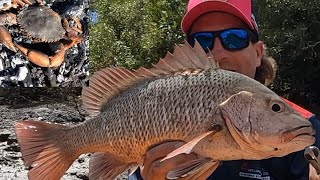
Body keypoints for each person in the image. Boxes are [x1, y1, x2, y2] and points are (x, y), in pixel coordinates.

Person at [131, 0, 320, 179]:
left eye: (234, 38)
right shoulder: (151, 105)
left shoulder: (300, 126)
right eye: (202, 41)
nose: (218, 53)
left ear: (257, 53)